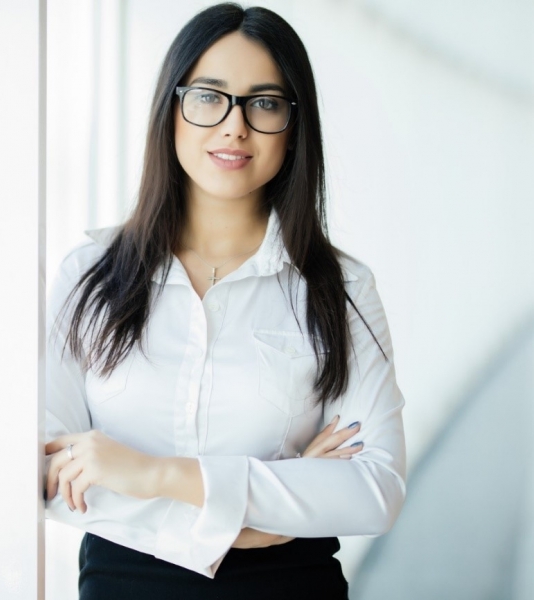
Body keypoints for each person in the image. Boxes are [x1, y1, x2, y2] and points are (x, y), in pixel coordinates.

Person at [43, 3, 406, 598]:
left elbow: (375, 490)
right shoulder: (90, 276)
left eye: (264, 103)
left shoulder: (339, 290)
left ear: (294, 128)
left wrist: (153, 474)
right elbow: (51, 473)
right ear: (172, 112)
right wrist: (263, 513)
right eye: (209, 96)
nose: (235, 126)